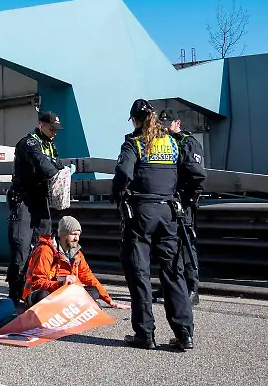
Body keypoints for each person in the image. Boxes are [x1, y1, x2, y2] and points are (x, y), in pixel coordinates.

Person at [111, 99, 205, 351]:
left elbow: (123, 173)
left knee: (139, 274)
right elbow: (196, 173)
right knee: (173, 272)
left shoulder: (134, 143)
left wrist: (118, 196)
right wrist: (183, 199)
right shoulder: (173, 142)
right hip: (170, 213)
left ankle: (145, 334)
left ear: (135, 120)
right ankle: (184, 334)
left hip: (141, 213)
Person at [6, 111, 67, 304]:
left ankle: (37, 287)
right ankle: (16, 292)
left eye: (56, 129)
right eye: (51, 129)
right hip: (23, 201)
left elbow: (57, 163)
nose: (54, 133)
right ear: (41, 125)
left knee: (44, 245)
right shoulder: (28, 143)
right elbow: (41, 163)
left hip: (41, 201)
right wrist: (55, 174)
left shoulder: (50, 145)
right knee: (21, 247)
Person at [22, 215, 129, 310]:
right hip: (46, 292)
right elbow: (37, 283)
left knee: (94, 292)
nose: (76, 238)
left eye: (78, 234)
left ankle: (65, 307)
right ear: (63, 235)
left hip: (63, 294)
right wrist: (61, 284)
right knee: (42, 295)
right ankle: (74, 307)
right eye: (73, 234)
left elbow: (89, 278)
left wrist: (109, 300)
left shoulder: (77, 254)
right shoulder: (45, 251)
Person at [155, 109, 206, 305]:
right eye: (162, 123)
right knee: (166, 245)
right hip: (167, 200)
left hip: (183, 203)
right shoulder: (164, 142)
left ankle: (192, 288)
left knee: (186, 244)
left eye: (168, 123)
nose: (165, 127)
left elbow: (198, 176)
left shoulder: (187, 142)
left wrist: (189, 200)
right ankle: (168, 285)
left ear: (177, 122)